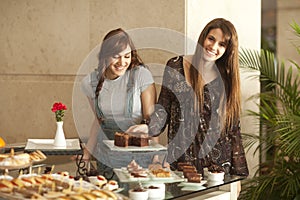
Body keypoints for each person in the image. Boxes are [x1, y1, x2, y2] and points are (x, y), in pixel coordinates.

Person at [127, 18, 249, 177]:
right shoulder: (175, 66)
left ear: (228, 50)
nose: (213, 47)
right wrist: (147, 127)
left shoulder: (226, 79)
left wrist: (237, 178)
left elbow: (233, 129)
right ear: (203, 37)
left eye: (222, 44)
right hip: (181, 163)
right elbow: (163, 109)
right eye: (211, 39)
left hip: (217, 168)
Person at [81, 28, 157, 179]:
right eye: (116, 56)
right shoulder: (90, 82)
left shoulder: (141, 76)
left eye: (127, 56)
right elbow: (98, 121)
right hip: (106, 156)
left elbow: (152, 120)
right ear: (105, 56)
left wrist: (156, 158)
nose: (122, 62)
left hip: (138, 156)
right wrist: (87, 154)